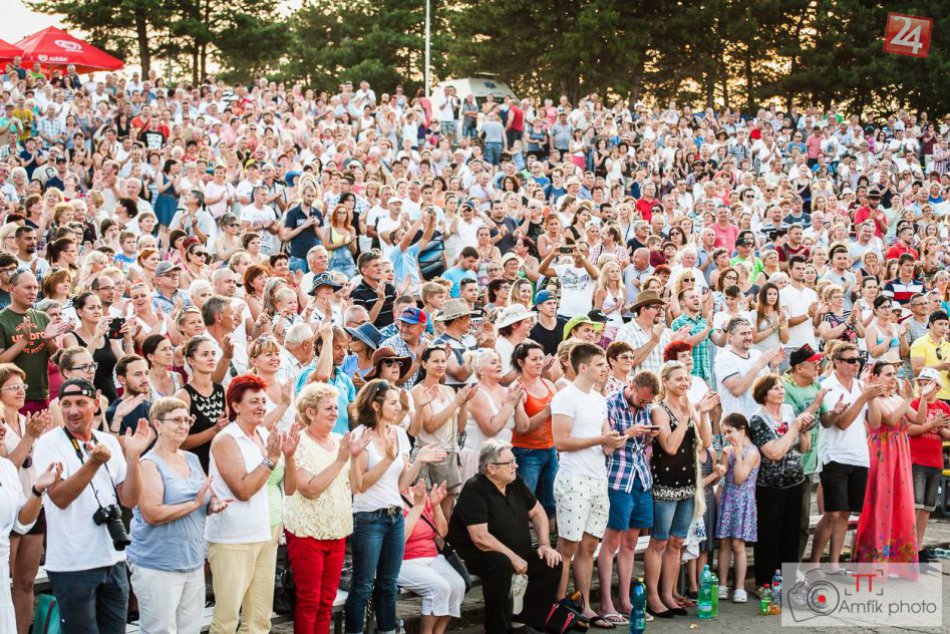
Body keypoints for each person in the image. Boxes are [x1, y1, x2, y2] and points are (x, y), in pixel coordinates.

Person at [32, 378, 153, 633]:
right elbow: (60, 498)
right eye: (65, 404)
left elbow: (129, 499)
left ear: (96, 404)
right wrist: (93, 463)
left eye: (80, 403)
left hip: (113, 559)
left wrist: (133, 458)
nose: (72, 410)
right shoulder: (48, 443)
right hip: (72, 565)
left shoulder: (107, 442)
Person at [346, 379, 446, 634]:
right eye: (392, 402)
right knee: (363, 585)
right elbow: (360, 486)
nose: (398, 407)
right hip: (369, 518)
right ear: (376, 406)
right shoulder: (361, 436)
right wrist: (387, 460)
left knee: (388, 585)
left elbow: (403, 483)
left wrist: (419, 461)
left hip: (394, 516)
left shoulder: (399, 433)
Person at [205, 373, 297, 634]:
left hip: (265, 535)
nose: (260, 406)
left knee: (259, 620)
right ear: (235, 406)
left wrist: (288, 458)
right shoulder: (226, 439)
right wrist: (270, 459)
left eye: (262, 401)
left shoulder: (263, 434)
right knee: (226, 620)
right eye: (253, 401)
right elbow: (243, 489)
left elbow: (288, 488)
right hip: (232, 539)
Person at [128, 396, 229, 633]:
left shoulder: (192, 459)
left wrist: (214, 504)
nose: (184, 425)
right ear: (157, 424)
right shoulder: (148, 464)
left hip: (192, 560)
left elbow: (208, 497)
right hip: (158, 563)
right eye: (176, 420)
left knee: (189, 629)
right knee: (160, 629)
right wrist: (195, 504)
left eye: (187, 420)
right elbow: (153, 513)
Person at [447, 439, 563, 633]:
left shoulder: (515, 482)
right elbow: (480, 538)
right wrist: (513, 558)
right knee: (500, 564)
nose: (515, 466)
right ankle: (499, 629)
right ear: (491, 468)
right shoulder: (475, 489)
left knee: (551, 563)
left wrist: (544, 544)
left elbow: (537, 512)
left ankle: (527, 624)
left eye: (514, 461)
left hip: (516, 553)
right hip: (478, 555)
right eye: (509, 463)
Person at [286, 382, 368, 634]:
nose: (335, 412)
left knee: (326, 602)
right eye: (328, 408)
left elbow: (356, 487)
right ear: (310, 413)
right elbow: (309, 489)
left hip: (337, 530)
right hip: (307, 531)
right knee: (309, 601)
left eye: (336, 407)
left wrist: (353, 458)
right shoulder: (299, 443)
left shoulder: (339, 440)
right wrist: (341, 459)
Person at [550, 342, 623, 628]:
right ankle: (557, 609)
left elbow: (605, 440)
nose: (605, 368)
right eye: (599, 364)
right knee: (567, 547)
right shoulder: (565, 397)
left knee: (589, 545)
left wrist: (615, 440)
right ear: (582, 367)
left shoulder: (598, 398)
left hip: (597, 477)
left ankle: (584, 606)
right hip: (573, 478)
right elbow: (561, 441)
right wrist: (601, 441)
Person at [645, 362, 713, 618]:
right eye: (679, 379)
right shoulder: (658, 410)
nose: (685, 383)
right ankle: (653, 597)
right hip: (664, 483)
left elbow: (705, 443)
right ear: (666, 382)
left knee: (677, 542)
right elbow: (670, 446)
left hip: (687, 484)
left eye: (686, 379)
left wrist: (702, 414)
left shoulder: (688, 407)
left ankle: (667, 594)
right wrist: (686, 415)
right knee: (659, 541)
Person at [812, 342, 883, 573]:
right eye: (851, 360)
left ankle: (833, 564)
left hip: (859, 455)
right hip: (833, 455)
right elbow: (841, 423)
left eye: (858, 359)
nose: (856, 364)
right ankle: (814, 562)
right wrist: (863, 398)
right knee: (832, 512)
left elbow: (875, 423)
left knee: (845, 513)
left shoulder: (861, 385)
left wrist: (871, 398)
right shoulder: (827, 386)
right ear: (837, 362)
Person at [598, 371, 660, 624]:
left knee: (631, 543)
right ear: (631, 386)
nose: (645, 405)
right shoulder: (610, 403)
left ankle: (625, 601)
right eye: (642, 400)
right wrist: (631, 432)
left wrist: (649, 437)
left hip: (641, 478)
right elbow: (607, 446)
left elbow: (642, 447)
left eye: (648, 402)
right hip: (617, 479)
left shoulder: (646, 405)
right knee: (611, 542)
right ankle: (606, 603)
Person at [747, 374, 814, 594]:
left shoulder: (787, 410)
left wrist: (804, 430)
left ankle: (787, 578)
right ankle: (763, 582)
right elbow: (774, 452)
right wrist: (795, 427)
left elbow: (803, 448)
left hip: (795, 480)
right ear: (764, 394)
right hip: (770, 485)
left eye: (782, 387)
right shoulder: (758, 419)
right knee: (769, 534)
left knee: (792, 533)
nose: (781, 391)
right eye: (775, 388)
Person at [0, 363, 51, 634]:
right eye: (13, 386)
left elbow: (36, 462)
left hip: (34, 501)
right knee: (3, 580)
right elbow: (7, 466)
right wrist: (30, 438)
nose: (21, 391)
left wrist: (41, 436)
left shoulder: (26, 419)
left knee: (26, 582)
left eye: (23, 386)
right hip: (7, 510)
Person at [853, 361, 917, 571]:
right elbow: (888, 420)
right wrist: (908, 399)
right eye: (888, 373)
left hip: (901, 453)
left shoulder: (897, 398)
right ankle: (873, 563)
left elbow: (919, 419)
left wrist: (921, 395)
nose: (893, 377)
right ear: (876, 377)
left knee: (901, 503)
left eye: (895, 373)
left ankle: (899, 564)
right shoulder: (874, 400)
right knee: (880, 503)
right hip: (881, 453)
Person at [0, 431, 60, 633]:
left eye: (1, 421)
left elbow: (21, 523)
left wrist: (37, 491)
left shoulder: (7, 468)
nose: (2, 428)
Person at [410, 347, 477, 516]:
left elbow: (460, 427)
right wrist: (456, 403)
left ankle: (441, 542)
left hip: (450, 454)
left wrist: (464, 403)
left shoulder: (448, 390)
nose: (440, 365)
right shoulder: (418, 390)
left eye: (443, 361)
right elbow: (430, 425)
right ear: (424, 364)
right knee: (425, 510)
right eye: (435, 361)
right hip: (429, 457)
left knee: (446, 512)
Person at [398, 478, 465, 634]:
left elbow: (442, 532)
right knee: (439, 587)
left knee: (458, 586)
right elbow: (401, 539)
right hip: (405, 560)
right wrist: (417, 506)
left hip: (432, 557)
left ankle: (439, 631)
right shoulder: (390, 498)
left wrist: (435, 506)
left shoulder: (419, 494)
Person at [0, 270, 70, 413]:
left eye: (35, 288)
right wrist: (24, 340)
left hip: (41, 394)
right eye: (27, 287)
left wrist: (49, 339)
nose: (33, 292)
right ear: (11, 289)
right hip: (11, 397)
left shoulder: (42, 317)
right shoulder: (2, 320)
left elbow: (54, 356)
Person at [715, 413, 760, 604]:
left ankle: (739, 586)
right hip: (728, 498)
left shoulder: (752, 452)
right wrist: (722, 461)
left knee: (738, 545)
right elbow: (723, 475)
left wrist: (738, 452)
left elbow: (740, 477)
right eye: (724, 432)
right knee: (724, 543)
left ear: (742, 430)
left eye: (729, 431)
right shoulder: (730, 450)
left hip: (743, 501)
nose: (727, 436)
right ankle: (723, 584)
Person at [907, 367, 950, 566]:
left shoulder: (944, 407)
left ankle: (918, 547)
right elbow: (911, 430)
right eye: (921, 382)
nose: (923, 386)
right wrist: (933, 425)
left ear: (938, 386)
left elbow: (948, 434)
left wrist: (941, 428)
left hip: (935, 462)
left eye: (928, 382)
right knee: (915, 507)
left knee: (926, 509)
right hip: (916, 461)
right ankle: (907, 547)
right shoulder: (915, 403)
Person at [174, 336, 228, 471]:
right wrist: (214, 430)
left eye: (213, 354)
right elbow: (178, 442)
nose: (211, 358)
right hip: (196, 467)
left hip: (223, 464)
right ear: (191, 360)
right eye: (205, 354)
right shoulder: (183, 396)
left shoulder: (222, 391)